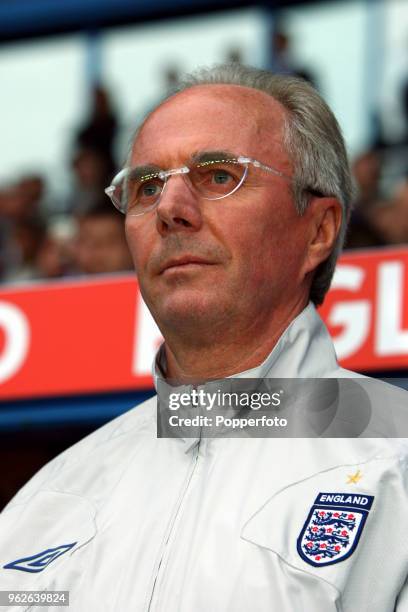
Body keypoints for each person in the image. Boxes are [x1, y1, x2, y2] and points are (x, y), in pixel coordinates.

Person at [1, 64, 408, 611]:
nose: (169, 209)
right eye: (146, 187)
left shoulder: (396, 463)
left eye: (219, 176)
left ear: (319, 230)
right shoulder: (46, 500)